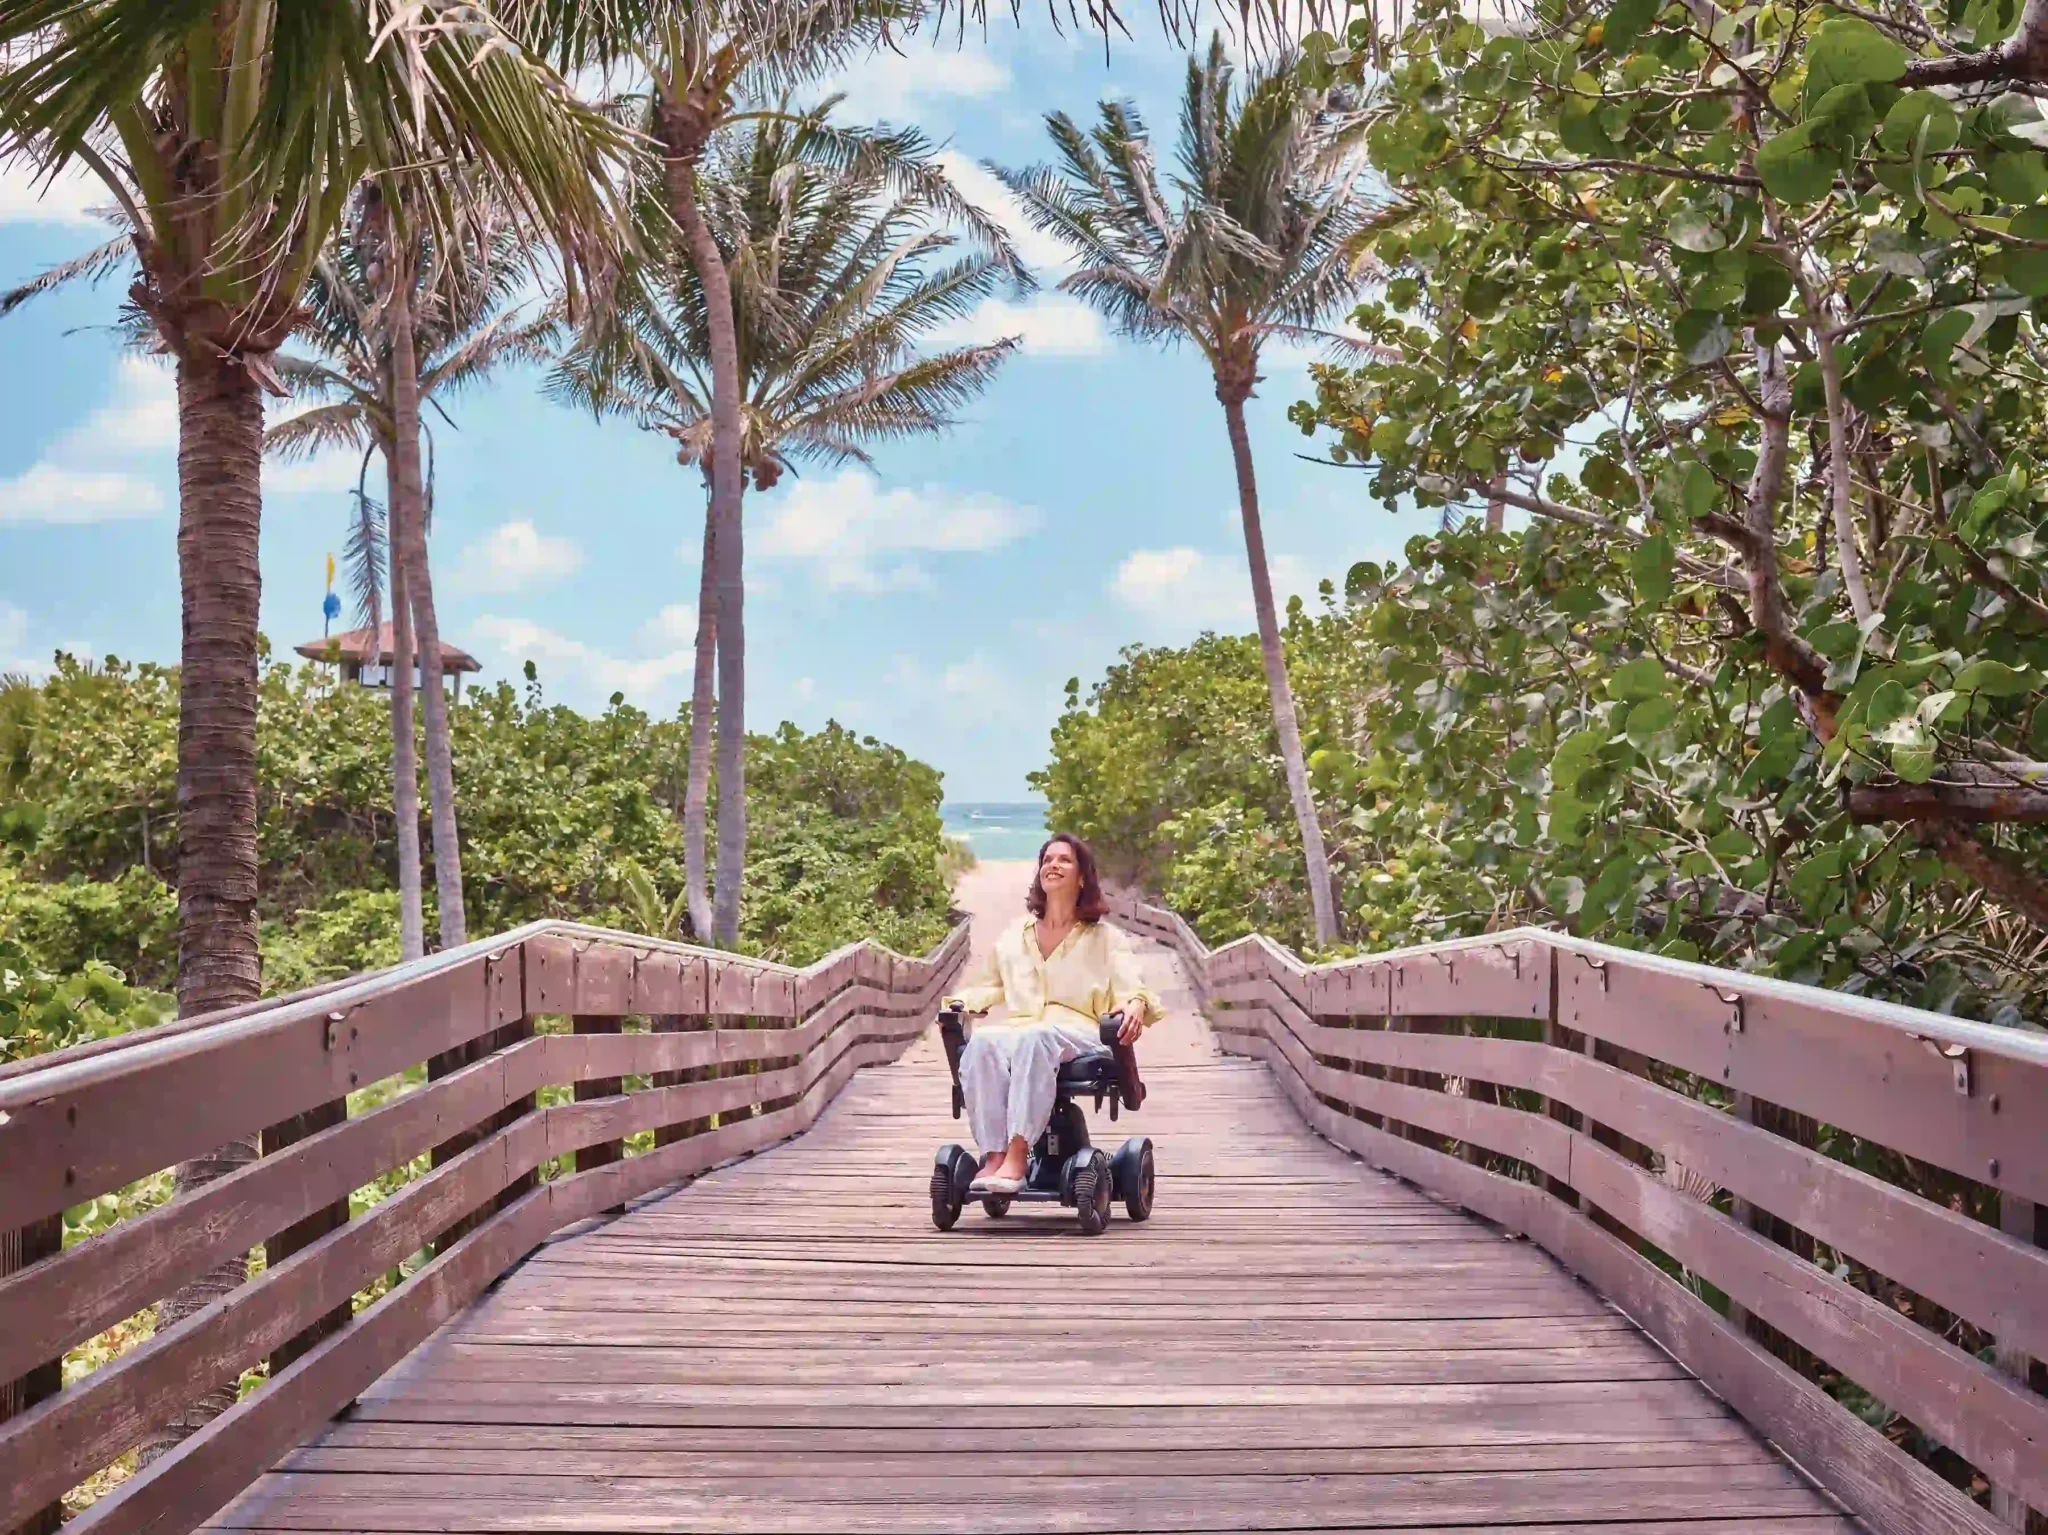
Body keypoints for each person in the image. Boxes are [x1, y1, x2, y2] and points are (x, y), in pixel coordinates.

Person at [944, 833, 1160, 1194]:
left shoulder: (1105, 939)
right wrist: (957, 1006)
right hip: (1025, 1028)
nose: (1053, 865)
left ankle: (1018, 1154)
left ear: (1081, 877)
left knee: (1036, 1037)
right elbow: (990, 986)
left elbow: (1131, 987)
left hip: (1080, 1031)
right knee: (982, 1041)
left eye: (1064, 859)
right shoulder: (1015, 936)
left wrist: (1136, 1003)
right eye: (1047, 859)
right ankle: (994, 1155)